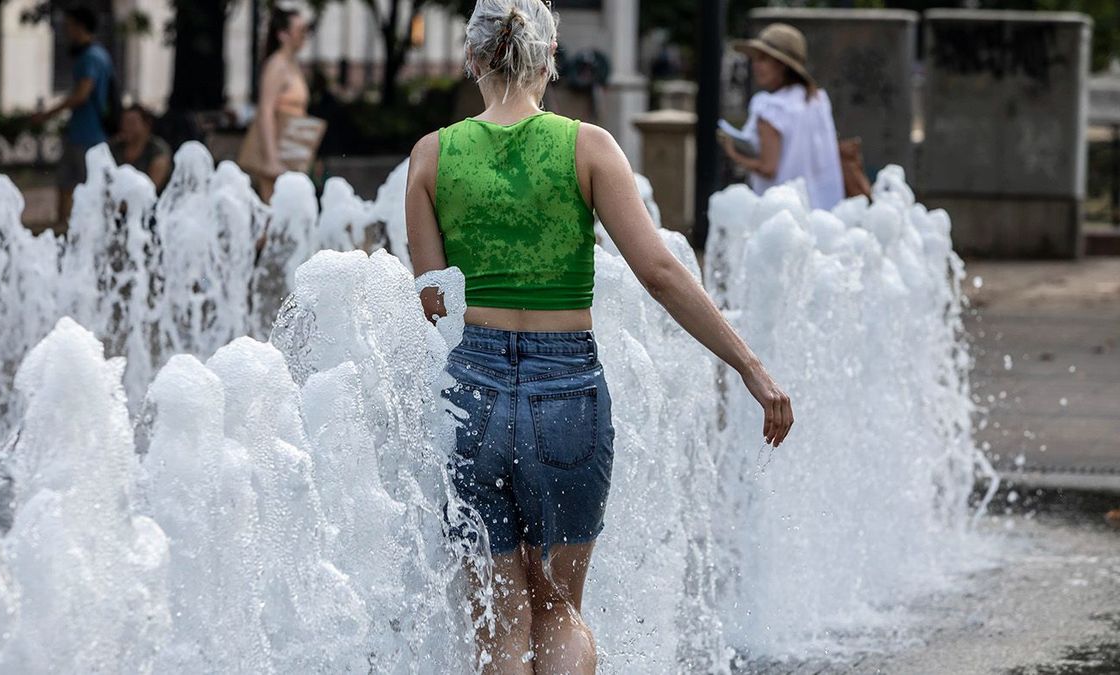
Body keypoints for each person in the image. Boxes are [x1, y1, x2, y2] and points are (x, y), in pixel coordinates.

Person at [404, 1, 794, 671]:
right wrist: (749, 367)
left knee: (498, 625)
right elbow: (661, 272)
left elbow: (434, 304)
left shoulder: (432, 156)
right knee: (557, 607)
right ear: (550, 60)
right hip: (566, 396)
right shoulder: (588, 146)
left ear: (472, 59)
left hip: (471, 393)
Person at [725, 23, 844, 210]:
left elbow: (768, 168)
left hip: (782, 214)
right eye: (755, 59)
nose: (756, 65)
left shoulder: (770, 107)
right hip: (824, 211)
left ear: (783, 65)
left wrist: (734, 154)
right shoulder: (816, 100)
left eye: (763, 59)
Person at [33, 5, 114, 226]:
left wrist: (49, 114)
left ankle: (73, 227)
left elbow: (82, 94)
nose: (66, 31)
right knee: (69, 182)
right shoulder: (98, 55)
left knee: (80, 183)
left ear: (80, 27)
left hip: (88, 134)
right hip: (84, 132)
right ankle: (67, 226)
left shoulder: (91, 57)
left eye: (68, 26)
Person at [238, 4, 320, 202]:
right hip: (277, 153)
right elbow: (265, 111)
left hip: (292, 151)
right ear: (283, 34)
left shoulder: (292, 64)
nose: (304, 35)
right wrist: (271, 158)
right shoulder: (276, 65)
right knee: (273, 214)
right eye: (300, 30)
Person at [109, 104, 172, 192]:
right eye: (123, 123)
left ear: (146, 126)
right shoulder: (114, 147)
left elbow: (151, 188)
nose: (126, 127)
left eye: (132, 123)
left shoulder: (158, 150)